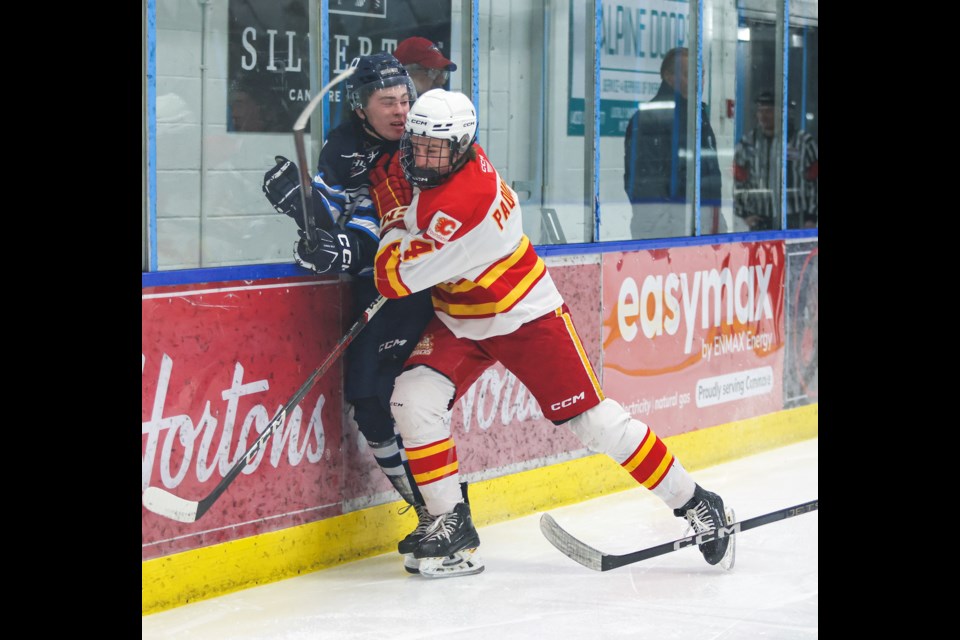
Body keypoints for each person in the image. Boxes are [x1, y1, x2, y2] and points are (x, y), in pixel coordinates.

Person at [368, 89, 736, 578]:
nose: (421, 157)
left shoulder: (465, 208)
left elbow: (390, 278)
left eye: (435, 149)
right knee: (412, 399)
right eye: (416, 144)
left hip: (523, 316)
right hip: (462, 317)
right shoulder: (460, 161)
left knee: (596, 424)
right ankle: (448, 520)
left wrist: (392, 217)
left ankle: (698, 503)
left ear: (461, 147)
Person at [260, 53, 448, 575]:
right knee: (367, 396)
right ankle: (431, 512)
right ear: (360, 108)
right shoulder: (343, 148)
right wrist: (305, 210)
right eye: (387, 102)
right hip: (383, 284)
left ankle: (449, 514)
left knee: (410, 402)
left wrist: (343, 249)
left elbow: (392, 226)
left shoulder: (426, 144)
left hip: (426, 287)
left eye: (405, 100)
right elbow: (336, 213)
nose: (400, 111)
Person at [623, 47, 723, 238]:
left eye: (700, 75)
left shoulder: (699, 118)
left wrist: (717, 225)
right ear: (669, 77)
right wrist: (665, 243)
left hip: (702, 230)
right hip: (670, 237)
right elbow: (646, 186)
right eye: (688, 75)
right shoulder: (650, 118)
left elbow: (710, 179)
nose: (697, 82)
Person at [733, 91, 819, 230]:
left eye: (769, 111)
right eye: (760, 111)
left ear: (783, 113)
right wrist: (745, 214)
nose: (763, 116)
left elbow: (815, 181)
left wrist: (811, 217)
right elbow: (739, 180)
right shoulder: (748, 142)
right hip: (759, 218)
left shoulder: (804, 143)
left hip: (797, 219)